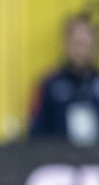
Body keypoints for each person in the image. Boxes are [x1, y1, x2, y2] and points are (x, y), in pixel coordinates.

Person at [28, 14, 99, 146]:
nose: (81, 51)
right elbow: (35, 132)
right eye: (77, 44)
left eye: (86, 44)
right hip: (59, 161)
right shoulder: (49, 84)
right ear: (66, 43)